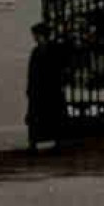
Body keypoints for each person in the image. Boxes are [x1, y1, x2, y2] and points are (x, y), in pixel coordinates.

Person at [24, 22, 66, 153]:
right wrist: (30, 88)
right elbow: (31, 72)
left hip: (51, 89)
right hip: (38, 89)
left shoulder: (54, 50)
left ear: (41, 35)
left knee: (53, 116)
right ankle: (33, 144)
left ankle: (57, 143)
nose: (34, 37)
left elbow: (59, 69)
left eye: (35, 35)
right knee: (35, 117)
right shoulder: (36, 51)